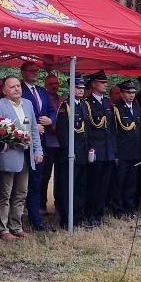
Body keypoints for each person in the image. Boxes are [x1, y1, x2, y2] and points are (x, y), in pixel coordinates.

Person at [0, 75, 42, 238]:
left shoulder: (27, 104)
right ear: (4, 90)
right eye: (12, 87)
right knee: (4, 194)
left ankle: (16, 226)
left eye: (18, 86)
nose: (17, 89)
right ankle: (2, 229)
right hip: (8, 156)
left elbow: (33, 129)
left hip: (26, 156)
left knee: (21, 193)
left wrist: (38, 150)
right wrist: (16, 140)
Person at [20, 60, 55, 230]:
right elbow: (16, 115)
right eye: (32, 70)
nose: (35, 73)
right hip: (23, 143)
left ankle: (36, 218)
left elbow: (51, 111)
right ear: (23, 72)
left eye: (37, 70)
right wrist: (33, 126)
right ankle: (21, 217)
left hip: (40, 143)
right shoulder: (17, 90)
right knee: (20, 184)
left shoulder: (41, 91)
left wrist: (50, 120)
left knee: (37, 181)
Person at [56, 75, 92, 227]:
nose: (81, 90)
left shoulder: (84, 105)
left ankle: (78, 216)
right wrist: (68, 153)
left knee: (80, 187)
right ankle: (67, 218)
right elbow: (63, 132)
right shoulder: (66, 106)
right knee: (68, 187)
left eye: (83, 88)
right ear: (71, 88)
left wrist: (90, 147)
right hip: (71, 154)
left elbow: (87, 130)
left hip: (83, 152)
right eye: (78, 88)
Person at [83, 72, 116, 225]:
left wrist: (114, 151)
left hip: (108, 151)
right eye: (101, 82)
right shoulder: (87, 103)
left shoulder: (108, 103)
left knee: (104, 185)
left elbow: (112, 129)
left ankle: (99, 214)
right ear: (93, 84)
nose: (105, 84)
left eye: (105, 82)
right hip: (95, 150)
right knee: (93, 185)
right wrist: (90, 148)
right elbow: (88, 130)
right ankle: (90, 214)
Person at [109, 80, 141, 216]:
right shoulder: (116, 109)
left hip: (134, 152)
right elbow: (113, 133)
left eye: (133, 92)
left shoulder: (136, 109)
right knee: (119, 182)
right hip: (122, 152)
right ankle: (117, 209)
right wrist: (115, 153)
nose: (131, 95)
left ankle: (129, 208)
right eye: (128, 92)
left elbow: (139, 132)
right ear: (122, 94)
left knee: (131, 182)